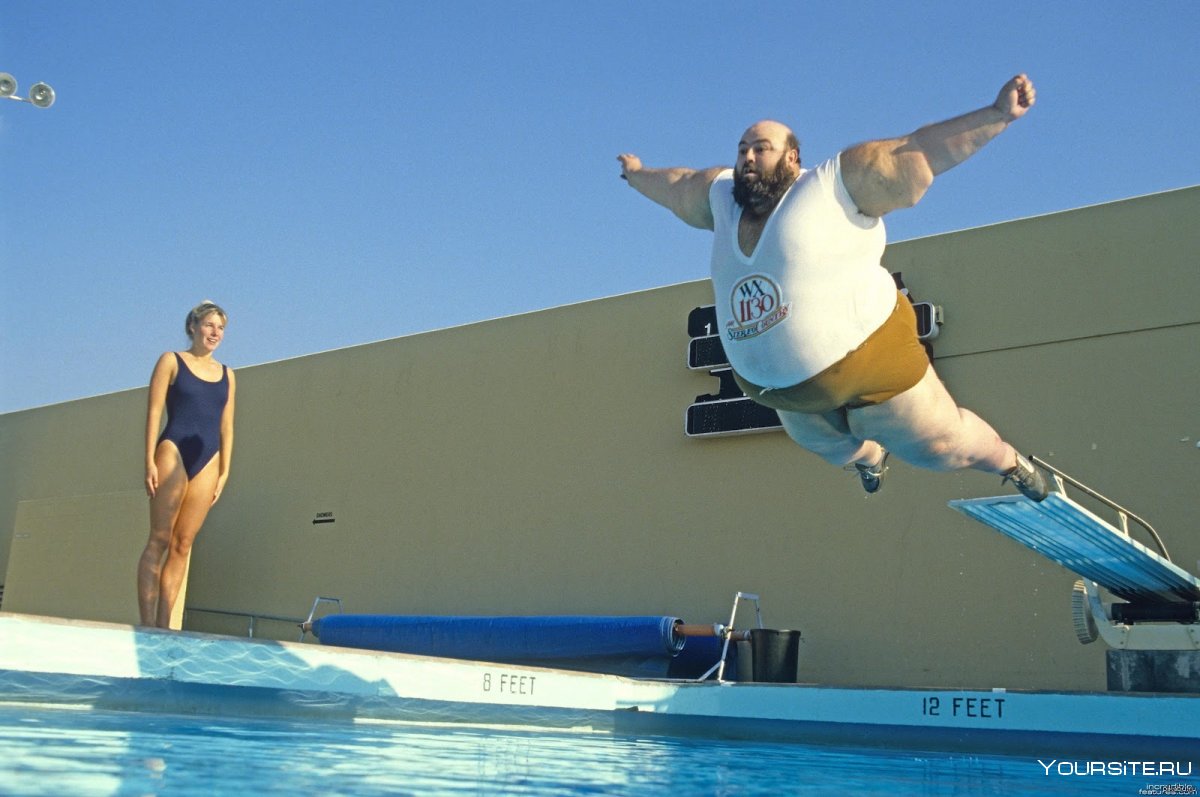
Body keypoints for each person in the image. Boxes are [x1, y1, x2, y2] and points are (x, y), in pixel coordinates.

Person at [618, 74, 1047, 500]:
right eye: (743, 149)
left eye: (761, 149)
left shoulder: (831, 185)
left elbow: (920, 151)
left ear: (792, 157)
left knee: (939, 448)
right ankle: (869, 458)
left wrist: (996, 115)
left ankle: (1009, 462)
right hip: (782, 390)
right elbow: (677, 185)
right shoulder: (720, 197)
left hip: (870, 353)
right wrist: (637, 174)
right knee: (828, 444)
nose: (748, 157)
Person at [137, 300, 237, 628]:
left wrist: (225, 471)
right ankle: (148, 624)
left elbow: (226, 426)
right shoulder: (171, 360)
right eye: (209, 325)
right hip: (173, 449)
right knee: (161, 539)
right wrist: (149, 459)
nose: (215, 332)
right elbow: (153, 411)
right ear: (193, 326)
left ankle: (166, 625)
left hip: (209, 458)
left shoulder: (228, 375)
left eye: (220, 328)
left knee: (183, 544)